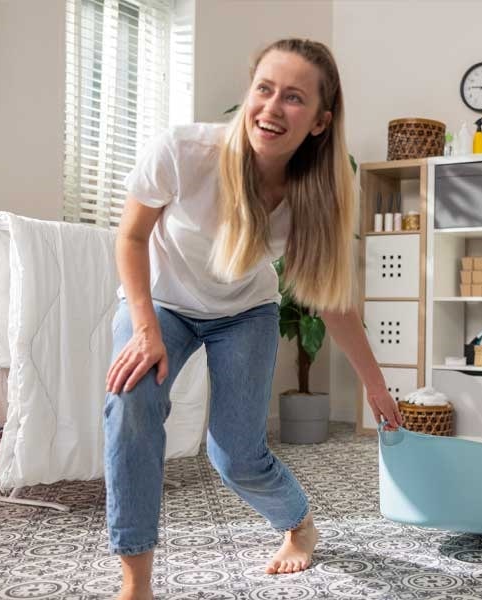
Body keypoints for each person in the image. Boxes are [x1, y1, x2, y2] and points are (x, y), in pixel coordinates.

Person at [103, 38, 402, 599]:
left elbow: (332, 302)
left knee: (236, 454)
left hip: (245, 311)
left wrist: (375, 386)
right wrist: (144, 327)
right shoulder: (184, 151)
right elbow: (132, 235)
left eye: (293, 98)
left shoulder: (319, 194)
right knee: (131, 404)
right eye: (264, 89)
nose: (271, 108)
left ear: (319, 121)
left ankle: (298, 525)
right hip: (163, 303)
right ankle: (136, 582)